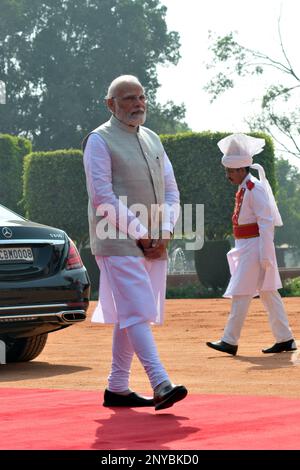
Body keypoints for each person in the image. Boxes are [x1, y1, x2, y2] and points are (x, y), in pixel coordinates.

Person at [82, 75, 187, 410]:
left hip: (154, 240)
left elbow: (171, 191)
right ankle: (160, 382)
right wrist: (143, 234)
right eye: (128, 98)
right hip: (117, 240)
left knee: (132, 312)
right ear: (110, 104)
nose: (138, 103)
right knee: (139, 310)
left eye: (142, 97)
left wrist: (165, 233)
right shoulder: (99, 140)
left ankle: (117, 388)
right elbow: (102, 198)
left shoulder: (154, 139)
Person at [206, 133, 297, 356]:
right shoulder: (246, 187)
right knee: (268, 293)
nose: (227, 175)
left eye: (229, 171)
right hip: (248, 246)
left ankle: (230, 340)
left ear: (240, 169)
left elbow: (266, 223)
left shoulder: (254, 188)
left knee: (241, 293)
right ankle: (285, 338)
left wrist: (266, 254)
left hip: (254, 248)